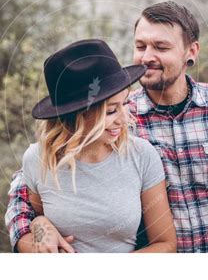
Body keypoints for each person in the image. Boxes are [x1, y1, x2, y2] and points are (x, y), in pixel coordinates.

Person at [6, 1, 208, 253]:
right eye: (140, 46)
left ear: (191, 52)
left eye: (161, 47)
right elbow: (27, 192)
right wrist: (34, 225)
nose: (146, 57)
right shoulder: (114, 118)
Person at [11, 38, 176, 253]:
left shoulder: (141, 154)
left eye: (124, 104)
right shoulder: (38, 158)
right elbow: (34, 215)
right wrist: (39, 223)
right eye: (110, 111)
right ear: (75, 116)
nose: (123, 119)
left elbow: (166, 245)